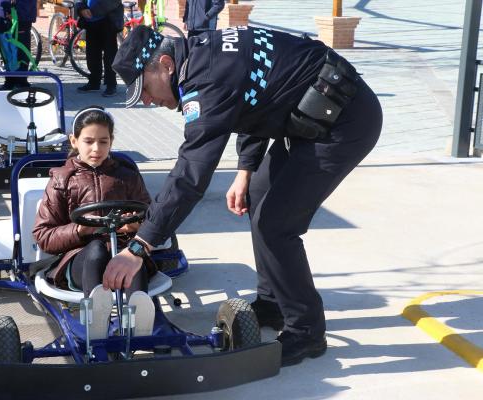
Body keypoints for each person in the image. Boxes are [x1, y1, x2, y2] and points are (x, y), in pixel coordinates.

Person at [108, 26, 383, 365]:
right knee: (258, 193)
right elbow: (255, 95)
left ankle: (306, 330)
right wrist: (245, 169)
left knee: (276, 225)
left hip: (344, 123)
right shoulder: (203, 51)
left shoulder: (205, 80)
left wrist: (141, 245)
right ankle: (273, 303)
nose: (148, 101)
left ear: (165, 64)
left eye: (146, 89)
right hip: (307, 115)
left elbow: (190, 175)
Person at [32, 106, 156, 336]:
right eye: (88, 141)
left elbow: (152, 218)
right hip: (80, 259)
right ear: (74, 140)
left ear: (111, 141)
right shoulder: (62, 180)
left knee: (129, 254)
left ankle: (140, 320)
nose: (96, 149)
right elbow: (43, 236)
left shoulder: (126, 175)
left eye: (103, 142)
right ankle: (97, 316)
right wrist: (79, 229)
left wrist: (136, 225)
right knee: (97, 249)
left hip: (123, 252)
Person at [75, 0, 124, 97]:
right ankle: (94, 82)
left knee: (110, 54)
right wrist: (82, 8)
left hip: (108, 20)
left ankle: (111, 84)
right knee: (92, 53)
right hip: (91, 21)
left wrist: (92, 11)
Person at [2, 0, 36, 89]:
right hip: (15, 13)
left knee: (21, 51)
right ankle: (11, 80)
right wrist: (7, 7)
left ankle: (20, 80)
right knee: (10, 49)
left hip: (22, 14)